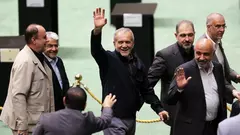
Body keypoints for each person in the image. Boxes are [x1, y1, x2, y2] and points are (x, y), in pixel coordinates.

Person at [91, 8, 169, 135]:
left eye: (127, 42)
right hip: (113, 119)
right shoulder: (108, 59)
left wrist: (159, 109)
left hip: (131, 119)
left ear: (133, 43)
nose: (124, 45)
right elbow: (96, 50)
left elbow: (146, 90)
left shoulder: (138, 64)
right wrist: (97, 30)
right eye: (120, 42)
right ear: (114, 43)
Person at [167, 38, 240, 135]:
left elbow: (221, 88)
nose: (201, 57)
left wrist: (233, 92)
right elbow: (170, 99)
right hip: (191, 130)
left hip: (214, 127)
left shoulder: (217, 68)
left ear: (213, 53)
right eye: (198, 53)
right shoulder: (184, 70)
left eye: (206, 54)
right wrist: (179, 88)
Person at [0, 24, 54, 135]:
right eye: (44, 37)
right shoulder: (25, 61)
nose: (47, 40)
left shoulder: (39, 56)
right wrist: (22, 125)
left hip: (37, 120)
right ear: (34, 40)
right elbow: (18, 95)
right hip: (28, 125)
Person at [148, 20, 195, 126]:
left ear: (194, 34)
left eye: (190, 35)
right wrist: (158, 108)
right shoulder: (164, 55)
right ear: (176, 35)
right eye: (183, 35)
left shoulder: (199, 53)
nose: (187, 39)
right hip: (175, 113)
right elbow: (147, 85)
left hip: (196, 112)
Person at [199, 13, 240, 114]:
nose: (222, 29)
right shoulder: (203, 48)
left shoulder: (216, 41)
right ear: (208, 27)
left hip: (221, 96)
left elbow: (224, 67)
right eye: (218, 26)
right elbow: (214, 76)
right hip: (210, 101)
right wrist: (233, 91)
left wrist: (237, 76)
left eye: (223, 26)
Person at [32, 87, 116, 135]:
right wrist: (107, 106)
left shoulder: (45, 119)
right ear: (85, 105)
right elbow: (105, 120)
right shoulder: (88, 120)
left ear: (64, 100)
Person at [43, 31, 70, 111]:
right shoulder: (40, 63)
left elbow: (64, 81)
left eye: (56, 46)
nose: (54, 49)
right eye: (50, 46)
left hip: (62, 106)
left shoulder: (59, 61)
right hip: (48, 107)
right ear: (44, 46)